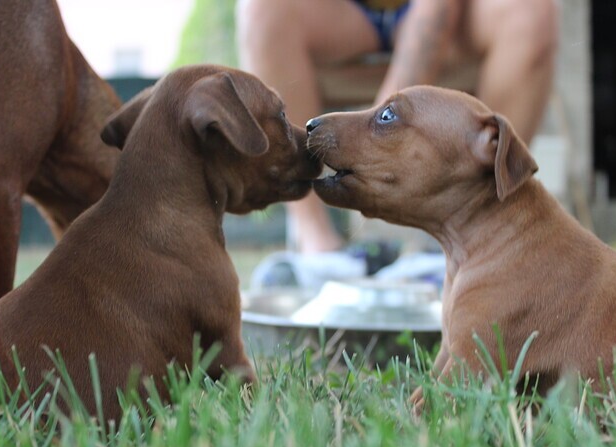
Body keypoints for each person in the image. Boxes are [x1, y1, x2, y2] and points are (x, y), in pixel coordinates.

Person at [237, 0, 558, 285]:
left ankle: (479, 238)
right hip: (344, 13)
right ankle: (316, 244)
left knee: (531, 13)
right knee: (260, 7)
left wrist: (376, 131)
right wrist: (382, 124)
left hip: (458, 12)